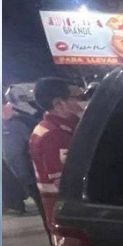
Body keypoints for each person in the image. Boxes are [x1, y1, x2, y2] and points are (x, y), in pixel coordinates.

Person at [29, 77, 85, 237]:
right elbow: (65, 182)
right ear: (59, 103)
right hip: (66, 213)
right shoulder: (54, 135)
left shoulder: (59, 128)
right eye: (76, 97)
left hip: (63, 209)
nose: (81, 102)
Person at [2, 85, 41, 216]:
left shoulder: (15, 121)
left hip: (36, 174)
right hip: (35, 175)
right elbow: (14, 155)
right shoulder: (16, 120)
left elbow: (14, 154)